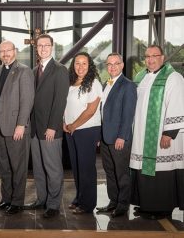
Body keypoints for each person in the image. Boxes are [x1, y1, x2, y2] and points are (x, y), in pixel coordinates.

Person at [130, 45, 184, 219]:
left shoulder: (173, 77)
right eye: (147, 56)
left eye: (155, 56)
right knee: (143, 168)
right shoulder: (142, 76)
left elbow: (177, 104)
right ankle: (147, 205)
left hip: (162, 133)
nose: (150, 59)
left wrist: (169, 132)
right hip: (141, 134)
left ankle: (163, 208)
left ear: (163, 57)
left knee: (162, 171)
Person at [24, 34, 69, 218]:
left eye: (46, 45)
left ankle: (53, 204)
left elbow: (60, 101)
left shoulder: (60, 70)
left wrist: (53, 126)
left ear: (52, 47)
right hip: (35, 128)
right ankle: (41, 199)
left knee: (53, 168)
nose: (43, 48)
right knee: (39, 168)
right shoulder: (33, 71)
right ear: (37, 48)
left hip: (50, 129)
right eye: (40, 46)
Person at [0, 40, 34, 215]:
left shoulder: (24, 71)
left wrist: (21, 125)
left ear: (15, 51)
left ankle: (17, 202)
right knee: (4, 167)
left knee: (18, 167)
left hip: (17, 128)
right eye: (2, 51)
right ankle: (6, 199)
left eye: (8, 50)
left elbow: (27, 100)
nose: (5, 54)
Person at [96, 53, 137, 218]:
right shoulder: (106, 83)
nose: (112, 67)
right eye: (109, 64)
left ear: (122, 66)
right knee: (109, 171)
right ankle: (113, 201)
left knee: (121, 173)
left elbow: (128, 114)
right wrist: (100, 135)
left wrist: (122, 136)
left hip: (119, 138)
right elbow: (103, 112)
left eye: (116, 63)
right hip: (106, 137)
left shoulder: (128, 86)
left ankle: (123, 205)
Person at [63, 52, 102, 214]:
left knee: (86, 168)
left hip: (87, 130)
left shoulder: (94, 83)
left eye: (84, 63)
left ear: (89, 65)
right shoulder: (71, 82)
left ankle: (87, 204)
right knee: (77, 168)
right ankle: (79, 198)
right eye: (77, 63)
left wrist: (73, 125)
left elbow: (91, 111)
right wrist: (64, 123)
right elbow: (65, 106)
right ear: (73, 66)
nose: (80, 67)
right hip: (71, 130)